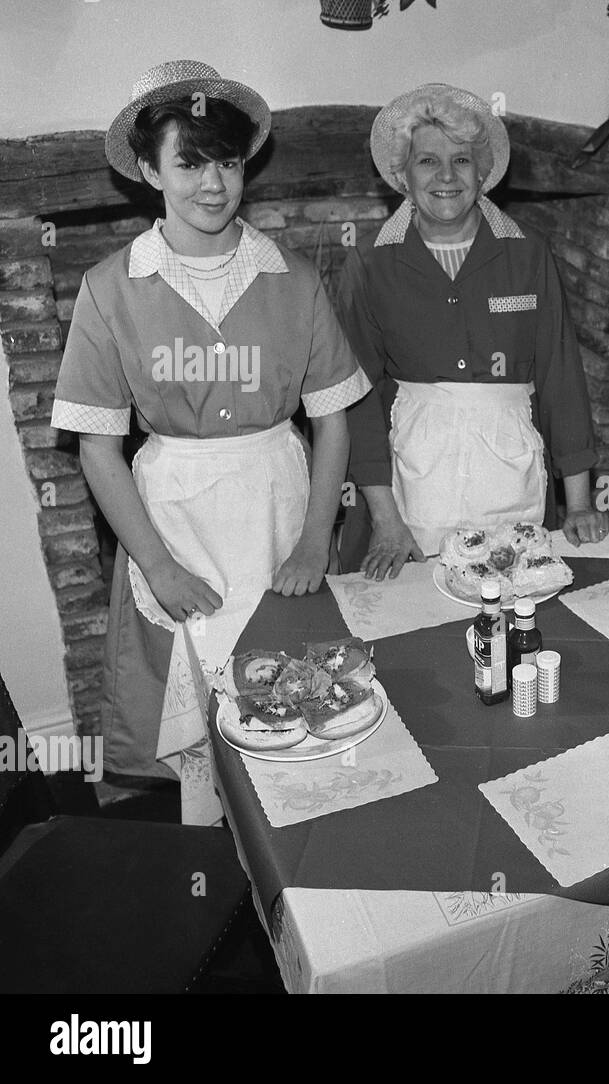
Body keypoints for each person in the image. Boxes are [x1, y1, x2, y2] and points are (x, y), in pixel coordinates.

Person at [51, 61, 370, 780]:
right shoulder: (110, 289)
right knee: (196, 712)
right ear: (147, 169)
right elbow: (98, 451)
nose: (213, 183)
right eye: (189, 163)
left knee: (302, 695)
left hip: (278, 510)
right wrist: (157, 565)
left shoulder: (294, 278)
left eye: (227, 161)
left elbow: (334, 423)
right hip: (174, 521)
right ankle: (217, 863)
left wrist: (315, 542)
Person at [337, 83, 608, 580]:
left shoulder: (528, 255)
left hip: (509, 471)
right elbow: (356, 398)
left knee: (511, 606)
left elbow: (560, 377)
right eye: (427, 161)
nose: (446, 176)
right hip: (412, 478)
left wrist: (580, 503)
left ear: (483, 173)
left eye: (461, 161)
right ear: (402, 174)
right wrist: (384, 518)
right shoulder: (370, 264)